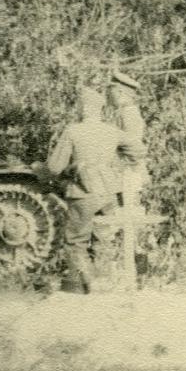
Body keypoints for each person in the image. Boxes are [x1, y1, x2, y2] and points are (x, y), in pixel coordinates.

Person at [43, 87, 146, 293]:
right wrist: (117, 166)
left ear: (83, 108)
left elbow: (54, 168)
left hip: (82, 192)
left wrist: (45, 169)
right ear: (99, 110)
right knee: (104, 235)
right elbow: (138, 150)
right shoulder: (111, 131)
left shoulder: (72, 131)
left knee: (76, 240)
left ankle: (88, 284)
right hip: (109, 194)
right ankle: (106, 278)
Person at [107, 71, 149, 200]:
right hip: (126, 172)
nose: (109, 95)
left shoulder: (128, 113)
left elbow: (133, 147)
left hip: (129, 173)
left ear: (120, 93)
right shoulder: (123, 112)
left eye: (111, 91)